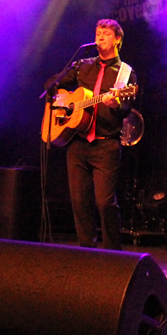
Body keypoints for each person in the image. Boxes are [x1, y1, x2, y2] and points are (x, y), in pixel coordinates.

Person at [45, 19, 135, 250]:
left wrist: (114, 102)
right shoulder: (82, 65)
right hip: (77, 143)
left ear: (117, 40)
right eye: (97, 32)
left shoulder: (125, 74)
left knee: (105, 203)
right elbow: (52, 85)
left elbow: (126, 108)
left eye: (105, 33)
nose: (100, 36)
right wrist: (63, 101)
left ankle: (113, 254)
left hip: (106, 145)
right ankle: (86, 251)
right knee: (79, 201)